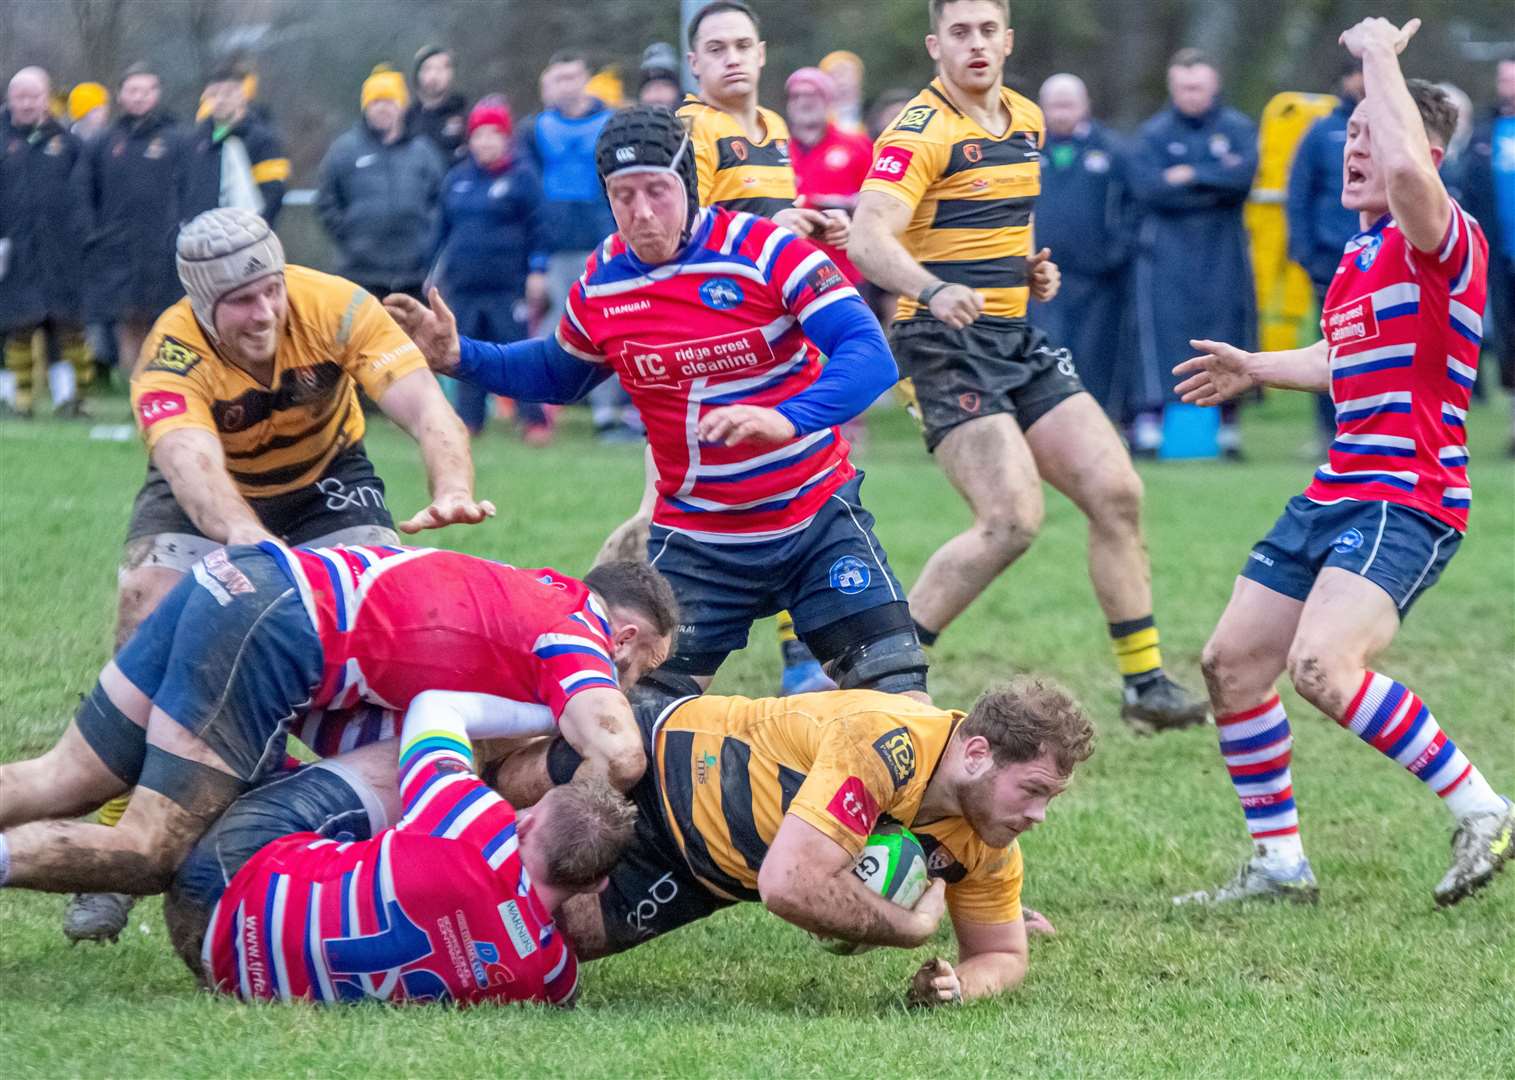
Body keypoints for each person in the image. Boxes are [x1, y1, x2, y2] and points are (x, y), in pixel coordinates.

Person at [387, 105, 926, 704]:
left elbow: (869, 352)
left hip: (814, 519)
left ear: (688, 184)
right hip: (699, 541)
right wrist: (462, 355)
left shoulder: (768, 250)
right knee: (628, 730)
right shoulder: (603, 281)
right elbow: (561, 372)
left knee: (902, 705)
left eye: (656, 191)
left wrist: (786, 417)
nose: (642, 213)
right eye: (623, 195)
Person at [59, 207, 494, 944]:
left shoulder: (334, 305)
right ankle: (116, 829)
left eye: (269, 290)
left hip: (328, 480)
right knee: (147, 602)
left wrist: (451, 483)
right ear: (202, 303)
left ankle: (391, 829)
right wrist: (249, 543)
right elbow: (193, 469)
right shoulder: (169, 355)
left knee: (392, 611)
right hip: (211, 491)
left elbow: (426, 407)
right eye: (240, 300)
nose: (263, 312)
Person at [1171, 19, 1512, 908]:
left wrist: (1379, 59)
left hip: (1409, 495)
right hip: (1337, 488)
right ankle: (1280, 865)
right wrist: (1254, 367)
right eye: (1348, 136)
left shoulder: (1442, 238)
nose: (1349, 150)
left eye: (1365, 133)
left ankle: (1483, 808)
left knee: (1321, 667)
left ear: (1423, 150)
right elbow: (1337, 357)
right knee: (1231, 662)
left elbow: (1405, 172)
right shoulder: (1361, 258)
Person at [849, 0, 1207, 732]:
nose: (975, 44)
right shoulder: (918, 131)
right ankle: (879, 681)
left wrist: (1028, 268)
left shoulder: (1024, 119)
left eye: (987, 30)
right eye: (959, 32)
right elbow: (866, 237)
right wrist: (932, 286)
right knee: (1010, 520)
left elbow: (1008, 220)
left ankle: (1144, 688)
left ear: (1007, 41)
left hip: (1012, 335)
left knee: (1116, 490)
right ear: (934, 45)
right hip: (939, 344)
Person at [0, 543, 677, 904]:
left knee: (63, 779)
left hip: (243, 581)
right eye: (638, 671)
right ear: (621, 638)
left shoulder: (532, 591)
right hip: (277, 624)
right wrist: (563, 840)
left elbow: (379, 725)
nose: (625, 686)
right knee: (150, 851)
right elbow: (618, 752)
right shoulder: (576, 634)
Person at [547, 678, 1092, 1004]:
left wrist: (959, 987)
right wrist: (913, 928)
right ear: (976, 755)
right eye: (1033, 791)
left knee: (537, 952)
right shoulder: (886, 743)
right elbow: (791, 886)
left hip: (702, 874)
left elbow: (1001, 952)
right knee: (497, 811)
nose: (1039, 815)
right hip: (669, 761)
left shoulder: (986, 841)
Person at [163, 689, 636, 1005]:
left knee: (405, 763)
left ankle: (181, 767)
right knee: (401, 837)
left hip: (226, 877)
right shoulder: (549, 975)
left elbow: (435, 706)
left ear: (526, 822)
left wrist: (566, 710)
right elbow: (560, 987)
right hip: (227, 971)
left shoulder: (477, 825)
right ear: (595, 883)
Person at [1128, 48, 1258, 458]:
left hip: (1223, 250)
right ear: (1172, 87)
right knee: (1166, 334)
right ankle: (1151, 429)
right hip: (1167, 252)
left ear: (1214, 85)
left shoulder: (1237, 128)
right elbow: (1149, 188)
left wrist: (1189, 175)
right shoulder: (1154, 133)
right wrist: (1210, 183)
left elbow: (1240, 179)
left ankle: (1227, 432)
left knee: (1226, 332)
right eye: (1183, 87)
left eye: (1198, 87)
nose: (1191, 94)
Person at [516, 51, 631, 443]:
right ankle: (537, 406)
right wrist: (536, 256)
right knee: (559, 327)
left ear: (585, 78)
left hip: (603, 241)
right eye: (559, 77)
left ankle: (606, 417)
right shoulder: (535, 129)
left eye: (573, 77)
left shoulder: (610, 122)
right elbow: (529, 193)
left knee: (605, 325)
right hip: (556, 245)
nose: (567, 85)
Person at [434, 97, 551, 441]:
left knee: (517, 353)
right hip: (465, 286)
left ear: (505, 137)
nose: (484, 141)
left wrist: (537, 270)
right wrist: (435, 276)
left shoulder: (523, 178)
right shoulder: (456, 180)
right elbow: (440, 232)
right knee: (466, 354)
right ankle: (469, 421)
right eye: (478, 135)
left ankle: (534, 420)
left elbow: (540, 229)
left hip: (508, 286)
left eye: (492, 134)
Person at [1030, 73, 1136, 424]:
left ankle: (1100, 425)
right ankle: (1049, 425)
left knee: (1095, 355)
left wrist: (1113, 255)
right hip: (1040, 277)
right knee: (1046, 351)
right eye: (1054, 105)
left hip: (1096, 280)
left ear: (1085, 105)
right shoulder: (1024, 150)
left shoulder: (1111, 150)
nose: (1061, 113)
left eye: (1068, 104)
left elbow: (1133, 207)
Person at [76, 63, 189, 380]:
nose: (140, 97)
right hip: (117, 248)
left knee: (164, 320)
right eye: (133, 90)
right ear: (121, 95)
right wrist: (93, 233)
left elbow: (190, 190)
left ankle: (164, 385)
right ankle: (135, 389)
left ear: (157, 94)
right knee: (127, 321)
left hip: (164, 248)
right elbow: (84, 190)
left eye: (147, 90)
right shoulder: (103, 142)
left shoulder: (177, 141)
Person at [0, 65, 90, 419]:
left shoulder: (67, 142)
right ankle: (14, 401)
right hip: (11, 250)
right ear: (9, 98)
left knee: (67, 325)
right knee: (14, 325)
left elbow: (82, 195)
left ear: (46, 98)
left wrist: (81, 235)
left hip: (60, 251)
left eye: (34, 96)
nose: (27, 103)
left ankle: (71, 400)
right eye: (20, 96)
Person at [1287, 59, 1367, 448]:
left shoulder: (1397, 129)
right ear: (1347, 78)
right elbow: (1299, 194)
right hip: (1332, 259)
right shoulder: (1321, 133)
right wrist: (1305, 252)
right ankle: (1328, 432)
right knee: (1333, 344)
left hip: (1384, 259)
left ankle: (1374, 429)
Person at [316, 69, 445, 301]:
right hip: (360, 276)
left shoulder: (423, 151)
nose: (382, 108)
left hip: (414, 275)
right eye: (376, 102)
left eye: (389, 101)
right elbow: (326, 200)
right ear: (366, 106)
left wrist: (426, 240)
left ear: (401, 107)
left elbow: (440, 200)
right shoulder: (344, 150)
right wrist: (351, 236)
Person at [1459, 59, 1514, 454]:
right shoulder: (1483, 134)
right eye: (1504, 79)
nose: (1507, 85)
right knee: (1508, 340)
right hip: (1499, 256)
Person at [786, 66, 874, 286]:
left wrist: (847, 205)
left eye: (812, 95)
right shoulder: (775, 149)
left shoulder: (857, 145)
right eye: (796, 96)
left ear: (828, 101)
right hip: (789, 272)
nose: (803, 102)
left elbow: (880, 202)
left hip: (845, 272)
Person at [183, 65, 287, 225]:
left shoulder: (263, 139)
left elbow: (273, 193)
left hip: (247, 237)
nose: (220, 100)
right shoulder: (194, 140)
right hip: (201, 237)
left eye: (228, 93)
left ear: (242, 95)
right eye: (213, 94)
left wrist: (254, 231)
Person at [407, 44, 468, 161]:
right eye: (427, 69)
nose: (434, 75)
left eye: (441, 69)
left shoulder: (465, 112)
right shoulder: (407, 118)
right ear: (417, 74)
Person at [819, 50, 867, 134]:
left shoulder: (874, 112)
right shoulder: (816, 118)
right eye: (834, 74)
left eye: (846, 72)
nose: (841, 80)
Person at [637, 42, 681, 109]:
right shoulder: (630, 118)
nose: (655, 96)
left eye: (664, 86)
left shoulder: (696, 116)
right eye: (648, 88)